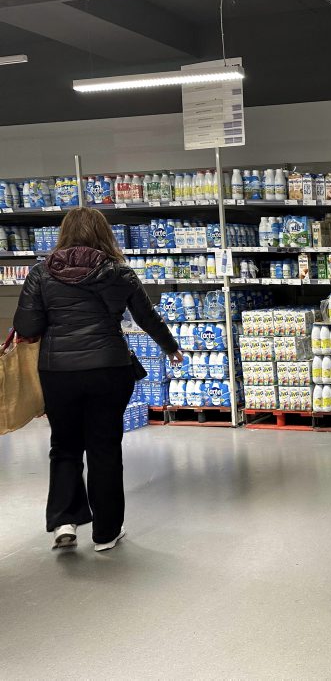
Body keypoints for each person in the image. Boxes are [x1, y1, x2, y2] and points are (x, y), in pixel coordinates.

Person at [13, 207, 183, 552]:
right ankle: (106, 533)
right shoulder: (119, 272)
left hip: (58, 372)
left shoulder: (40, 273)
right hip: (109, 369)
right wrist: (170, 348)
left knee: (65, 445)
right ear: (104, 234)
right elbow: (147, 317)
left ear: (64, 233)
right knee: (104, 448)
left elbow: (27, 326)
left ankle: (64, 520)